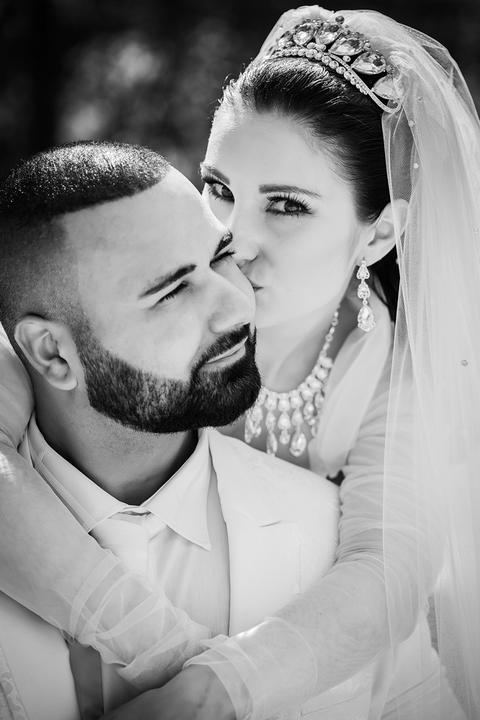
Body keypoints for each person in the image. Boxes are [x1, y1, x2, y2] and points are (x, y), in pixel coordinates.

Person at [0, 5, 479, 719]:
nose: (232, 237)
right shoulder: (93, 322)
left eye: (286, 206)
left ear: (379, 235)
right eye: (220, 189)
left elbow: (388, 571)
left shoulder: (400, 374)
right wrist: (153, 642)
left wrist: (217, 689)